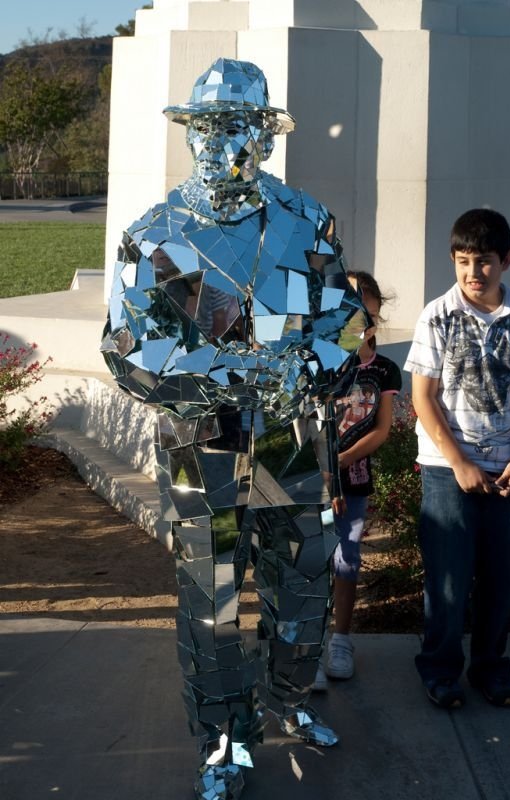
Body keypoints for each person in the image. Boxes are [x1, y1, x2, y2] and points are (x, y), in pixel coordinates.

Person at [101, 58, 367, 800]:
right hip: (201, 449)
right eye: (206, 131)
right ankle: (224, 742)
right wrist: (226, 372)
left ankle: (285, 702)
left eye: (235, 130)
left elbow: (345, 324)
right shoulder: (158, 237)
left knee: (306, 584)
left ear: (265, 138)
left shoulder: (303, 221)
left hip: (288, 439)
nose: (218, 146)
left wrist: (309, 366)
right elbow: (126, 350)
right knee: (213, 601)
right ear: (189, 136)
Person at [404, 208, 510, 710]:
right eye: (464, 261)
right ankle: (441, 671)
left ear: (507, 260)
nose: (474, 273)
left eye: (485, 261)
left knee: (501, 578)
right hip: (447, 471)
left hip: (506, 471)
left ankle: (491, 669)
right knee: (448, 577)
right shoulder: (436, 315)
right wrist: (459, 462)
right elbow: (422, 399)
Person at [314, 271, 402, 689]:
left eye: (366, 314)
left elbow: (381, 430)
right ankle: (306, 645)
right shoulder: (318, 364)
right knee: (309, 559)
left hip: (354, 480)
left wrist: (342, 462)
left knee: (346, 560)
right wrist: (325, 472)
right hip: (313, 480)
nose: (357, 324)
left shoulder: (385, 370)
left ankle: (340, 640)